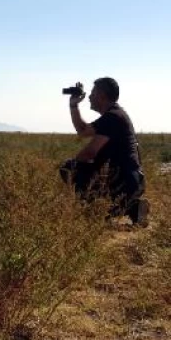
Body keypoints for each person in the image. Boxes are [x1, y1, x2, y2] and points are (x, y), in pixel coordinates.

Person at [60, 77, 150, 227]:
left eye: (93, 93)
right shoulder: (115, 115)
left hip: (123, 182)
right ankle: (134, 208)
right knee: (85, 169)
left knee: (70, 168)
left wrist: (77, 170)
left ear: (101, 96)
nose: (89, 97)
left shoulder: (112, 118)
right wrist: (73, 106)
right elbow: (83, 131)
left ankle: (93, 210)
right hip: (130, 182)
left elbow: (89, 153)